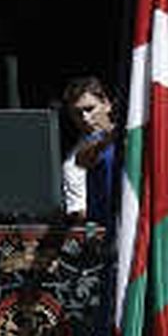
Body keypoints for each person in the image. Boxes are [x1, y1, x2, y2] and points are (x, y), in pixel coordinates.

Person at [61, 76, 117, 228]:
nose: (85, 118)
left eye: (90, 109)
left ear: (106, 104)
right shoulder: (73, 161)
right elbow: (80, 214)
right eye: (77, 113)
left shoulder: (135, 135)